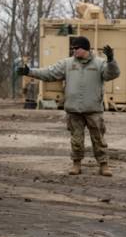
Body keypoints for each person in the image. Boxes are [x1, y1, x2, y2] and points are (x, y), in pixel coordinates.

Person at [17, 36, 120, 176]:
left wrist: (111, 60)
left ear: (85, 49)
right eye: (73, 48)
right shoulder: (67, 63)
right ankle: (76, 164)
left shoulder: (100, 63)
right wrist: (29, 72)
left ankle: (104, 165)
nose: (74, 51)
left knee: (99, 139)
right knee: (76, 140)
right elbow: (49, 73)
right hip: (74, 110)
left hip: (93, 110)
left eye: (77, 48)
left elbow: (112, 74)